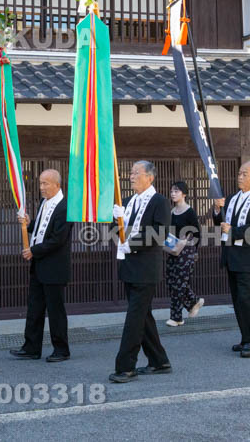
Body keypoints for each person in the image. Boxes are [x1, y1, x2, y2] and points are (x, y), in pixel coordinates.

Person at [109, 160, 172, 383]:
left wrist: (132, 244)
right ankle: (159, 361)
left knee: (134, 318)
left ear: (150, 177)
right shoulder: (126, 201)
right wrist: (116, 220)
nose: (131, 176)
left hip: (146, 269)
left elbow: (160, 233)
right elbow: (113, 231)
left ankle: (126, 366)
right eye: (131, 172)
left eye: (137, 173)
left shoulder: (160, 202)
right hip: (128, 267)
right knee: (143, 317)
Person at [10, 169, 72, 362]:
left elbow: (57, 239)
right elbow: (41, 228)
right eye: (40, 183)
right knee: (34, 308)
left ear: (57, 185)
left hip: (54, 268)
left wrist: (33, 251)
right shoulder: (46, 203)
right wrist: (29, 224)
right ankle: (31, 347)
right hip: (39, 266)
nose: (41, 187)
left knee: (55, 311)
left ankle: (61, 350)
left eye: (45, 183)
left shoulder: (65, 207)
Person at [211, 161, 250, 358]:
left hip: (249, 258)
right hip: (232, 256)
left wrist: (233, 231)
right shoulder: (234, 198)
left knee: (246, 299)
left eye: (245, 174)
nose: (240, 177)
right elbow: (221, 223)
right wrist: (218, 210)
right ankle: (247, 338)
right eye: (239, 173)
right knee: (237, 300)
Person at [164, 181, 204, 327]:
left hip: (187, 250)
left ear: (184, 194)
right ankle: (193, 301)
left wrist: (195, 252)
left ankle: (176, 317)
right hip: (174, 249)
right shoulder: (171, 212)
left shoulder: (190, 212)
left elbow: (197, 233)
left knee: (179, 283)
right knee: (171, 280)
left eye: (176, 191)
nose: (173, 194)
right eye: (172, 191)